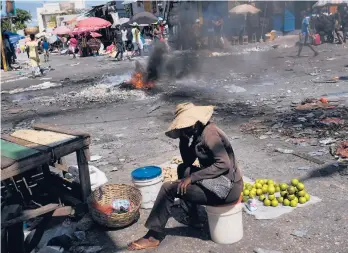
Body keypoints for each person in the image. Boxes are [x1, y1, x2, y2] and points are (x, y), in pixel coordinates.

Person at [128, 103, 243, 250]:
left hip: (227, 188)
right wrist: (183, 139)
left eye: (185, 126)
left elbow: (223, 164)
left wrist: (193, 178)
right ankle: (192, 217)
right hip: (218, 182)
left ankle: (153, 236)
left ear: (195, 123)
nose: (184, 129)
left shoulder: (210, 133)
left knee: (168, 188)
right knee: (183, 169)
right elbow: (188, 161)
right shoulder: (198, 133)